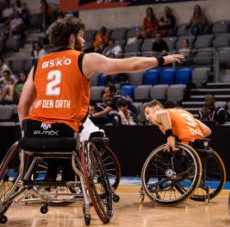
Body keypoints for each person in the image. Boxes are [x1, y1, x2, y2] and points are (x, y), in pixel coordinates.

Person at [17, 16, 183, 141]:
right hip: (67, 129)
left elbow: (22, 106)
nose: (84, 40)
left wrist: (26, 134)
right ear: (72, 39)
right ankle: (81, 173)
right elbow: (131, 65)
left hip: (36, 130)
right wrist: (162, 60)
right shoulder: (84, 59)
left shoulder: (39, 64)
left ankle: (52, 171)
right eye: (81, 36)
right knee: (99, 137)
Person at [144, 100, 211, 152]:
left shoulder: (158, 113)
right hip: (201, 143)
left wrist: (169, 136)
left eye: (147, 113)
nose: (147, 118)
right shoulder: (182, 112)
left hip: (188, 144)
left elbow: (163, 113)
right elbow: (207, 130)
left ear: (157, 108)